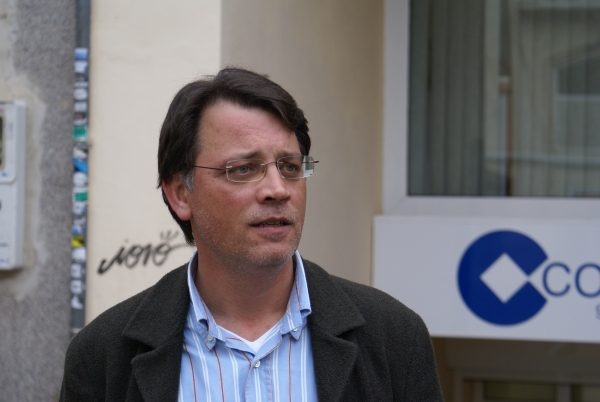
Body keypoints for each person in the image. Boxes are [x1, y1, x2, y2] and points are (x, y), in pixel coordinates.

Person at [60, 67, 444, 402]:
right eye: (243, 169)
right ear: (180, 194)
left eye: (290, 167)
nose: (277, 189)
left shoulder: (393, 338)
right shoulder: (103, 356)